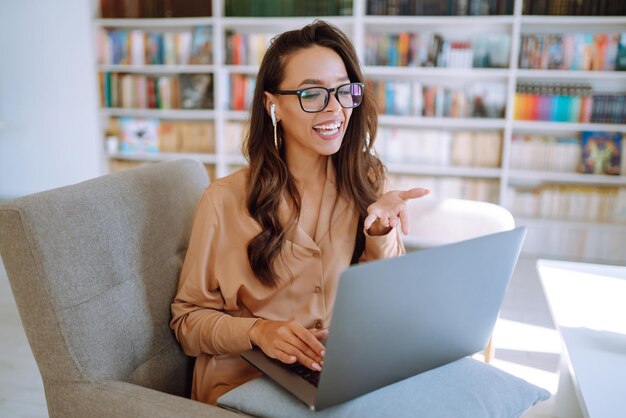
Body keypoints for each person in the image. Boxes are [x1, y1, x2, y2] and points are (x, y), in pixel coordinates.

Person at [170, 20, 429, 405]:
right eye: (312, 93)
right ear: (272, 104)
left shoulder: (366, 177)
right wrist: (258, 331)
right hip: (246, 381)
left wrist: (381, 232)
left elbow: (388, 298)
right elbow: (187, 322)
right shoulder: (222, 201)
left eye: (343, 91)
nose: (335, 109)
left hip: (337, 371)